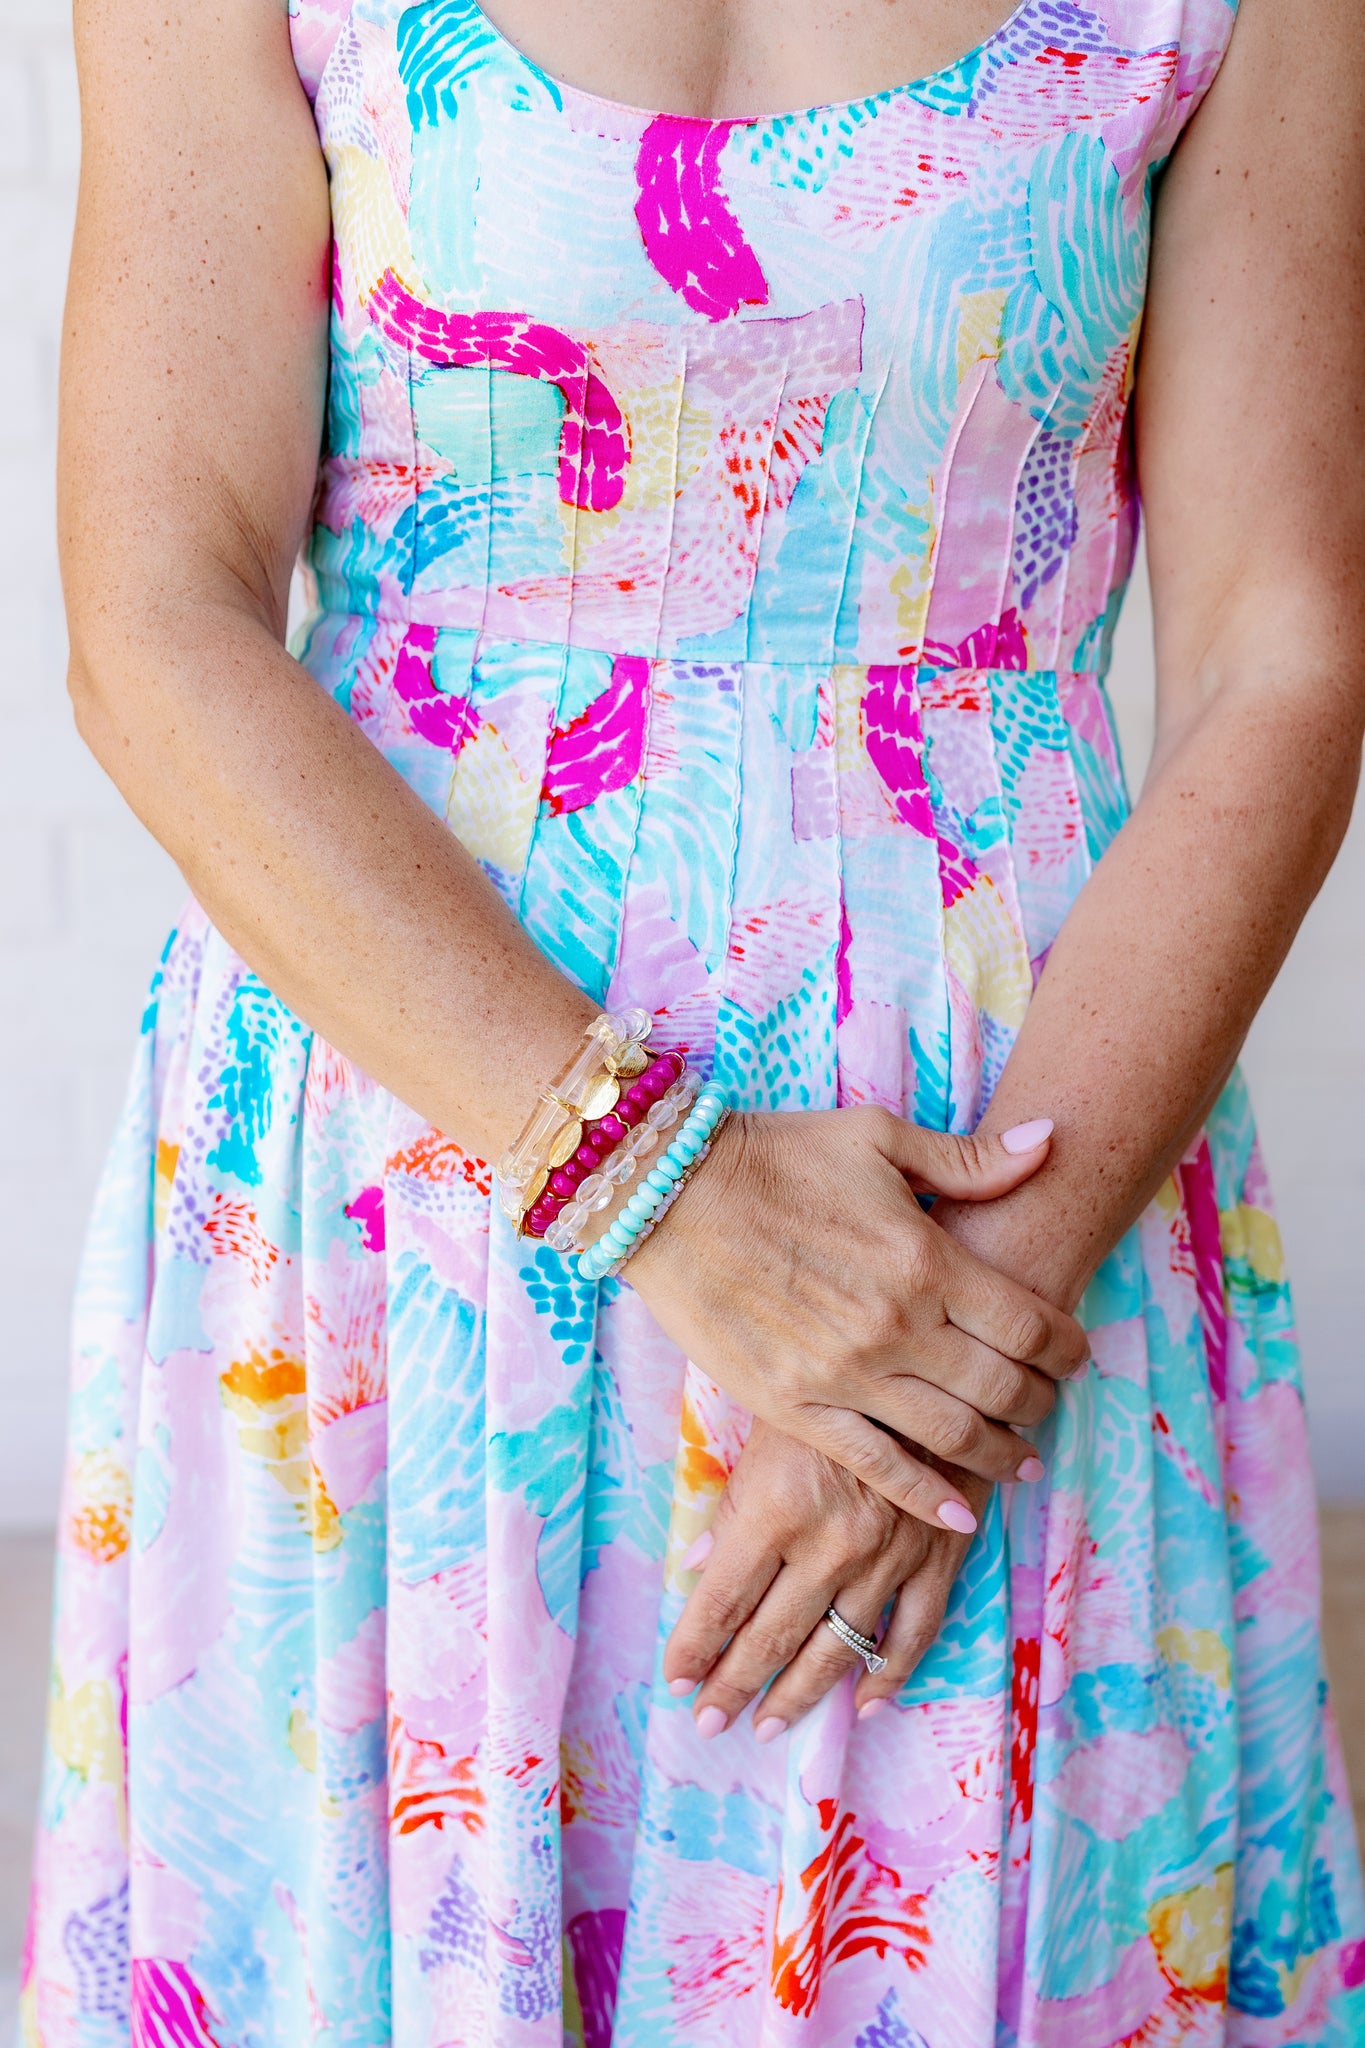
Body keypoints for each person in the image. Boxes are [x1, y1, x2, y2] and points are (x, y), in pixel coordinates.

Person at [20, 0, 1365, 2036]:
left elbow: (1281, 644)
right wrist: (666, 1191)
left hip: (1007, 1172)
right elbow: (154, 610)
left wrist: (950, 1334)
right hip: (418, 1158)